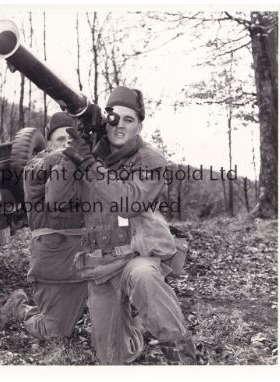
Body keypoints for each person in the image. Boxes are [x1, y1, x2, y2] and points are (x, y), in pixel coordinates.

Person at [48, 86, 196, 364]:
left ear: (139, 125)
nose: (121, 125)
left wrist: (89, 165)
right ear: (106, 119)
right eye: (115, 117)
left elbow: (128, 203)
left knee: (143, 276)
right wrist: (70, 157)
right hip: (101, 265)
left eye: (130, 120)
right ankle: (138, 330)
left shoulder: (150, 159)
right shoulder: (88, 153)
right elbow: (55, 200)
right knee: (112, 358)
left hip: (138, 255)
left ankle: (186, 360)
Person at [0, 112, 88, 340]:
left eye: (71, 139)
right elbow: (41, 170)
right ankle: (21, 308)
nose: (67, 145)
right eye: (60, 139)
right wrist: (66, 156)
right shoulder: (36, 166)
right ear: (48, 143)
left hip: (87, 259)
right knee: (55, 331)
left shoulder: (83, 167)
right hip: (55, 261)